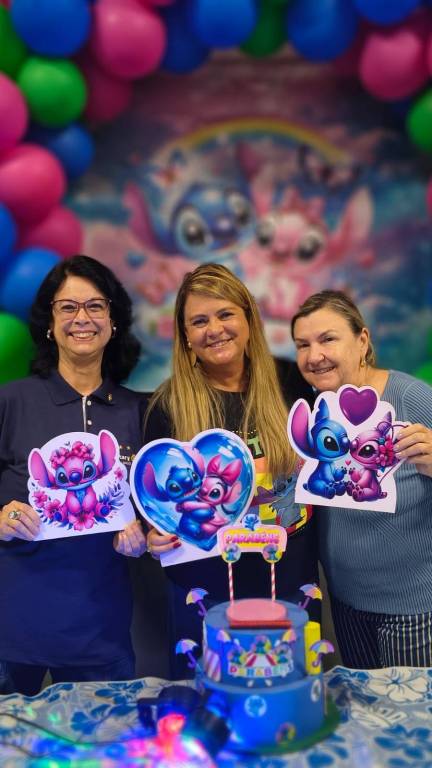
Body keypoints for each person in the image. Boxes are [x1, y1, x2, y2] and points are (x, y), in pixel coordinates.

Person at [144, 263, 318, 678]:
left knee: (288, 700)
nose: (215, 329)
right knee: (209, 706)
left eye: (225, 314)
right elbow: (154, 505)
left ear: (248, 318)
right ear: (185, 335)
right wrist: (154, 534)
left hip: (288, 580)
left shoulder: (290, 381)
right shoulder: (167, 406)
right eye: (199, 321)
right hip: (205, 591)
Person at [0, 255, 147, 695]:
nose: (82, 318)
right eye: (67, 307)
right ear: (49, 323)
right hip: (10, 633)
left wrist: (144, 531)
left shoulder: (139, 411)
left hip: (100, 637)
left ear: (113, 321)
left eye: (95, 306)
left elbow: (158, 505)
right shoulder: (11, 401)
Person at [291, 289, 432, 669]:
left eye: (328, 339)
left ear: (362, 341)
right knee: (363, 703)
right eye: (302, 345)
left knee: (411, 707)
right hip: (347, 604)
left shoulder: (411, 397)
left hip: (414, 610)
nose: (314, 356)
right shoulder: (314, 410)